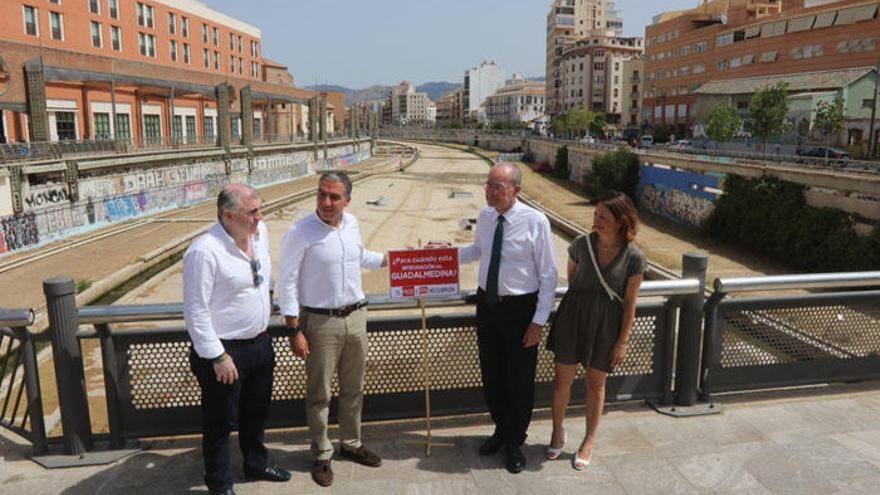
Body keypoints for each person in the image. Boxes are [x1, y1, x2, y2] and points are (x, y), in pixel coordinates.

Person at [278, 171, 387, 487]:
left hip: (356, 317)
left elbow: (361, 256)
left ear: (347, 201)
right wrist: (293, 330)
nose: (326, 202)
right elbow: (286, 282)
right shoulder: (300, 231)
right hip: (320, 322)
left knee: (354, 388)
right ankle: (322, 454)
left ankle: (351, 444)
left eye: (334, 196)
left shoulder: (352, 223)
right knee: (320, 393)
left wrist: (394, 260)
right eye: (322, 194)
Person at [183, 184, 291, 495]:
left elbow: (262, 276)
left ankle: (256, 464)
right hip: (224, 352)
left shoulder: (260, 233)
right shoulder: (204, 252)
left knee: (256, 412)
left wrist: (265, 301)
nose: (260, 217)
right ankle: (219, 484)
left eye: (260, 210)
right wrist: (217, 356)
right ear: (228, 215)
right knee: (220, 422)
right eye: (252, 213)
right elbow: (196, 312)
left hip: (259, 343)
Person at [458, 163, 558, 474]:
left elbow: (549, 274)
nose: (489, 191)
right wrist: (439, 255)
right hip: (488, 306)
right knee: (492, 373)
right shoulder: (486, 216)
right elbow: (477, 251)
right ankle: (501, 431)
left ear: (516, 190)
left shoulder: (535, 221)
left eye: (497, 187)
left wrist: (538, 322)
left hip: (520, 310)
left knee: (519, 379)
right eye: (488, 185)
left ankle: (516, 441)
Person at [545, 191, 646, 471]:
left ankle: (589, 440)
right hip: (572, 317)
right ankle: (557, 431)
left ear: (621, 220)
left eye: (603, 216)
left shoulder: (634, 257)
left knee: (596, 384)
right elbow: (574, 281)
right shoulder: (580, 244)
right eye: (595, 215)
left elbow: (630, 305)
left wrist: (622, 342)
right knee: (561, 381)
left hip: (606, 325)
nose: (596, 220)